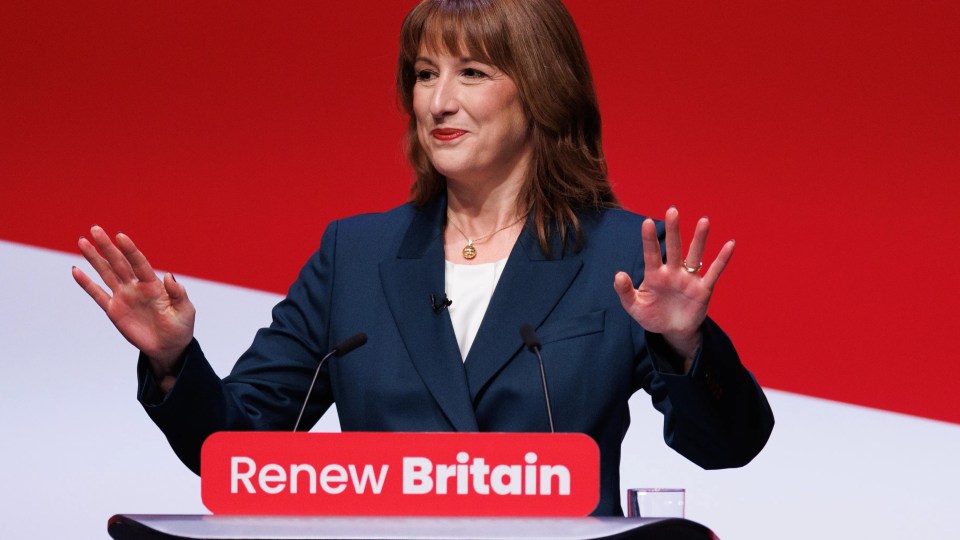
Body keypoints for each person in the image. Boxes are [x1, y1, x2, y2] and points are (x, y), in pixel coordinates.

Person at [72, 0, 773, 516]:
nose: (438, 101)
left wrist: (685, 345)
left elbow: (726, 446)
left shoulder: (618, 256)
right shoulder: (357, 254)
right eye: (424, 73)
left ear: (541, 90)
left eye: (471, 73)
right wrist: (172, 362)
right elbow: (237, 446)